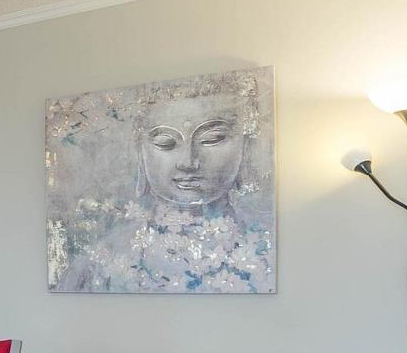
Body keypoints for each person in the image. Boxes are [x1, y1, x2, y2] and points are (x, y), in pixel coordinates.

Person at [53, 78, 274, 293]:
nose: (188, 162)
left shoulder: (267, 250)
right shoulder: (101, 262)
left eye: (212, 138)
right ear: (141, 151)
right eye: (165, 143)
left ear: (246, 144)